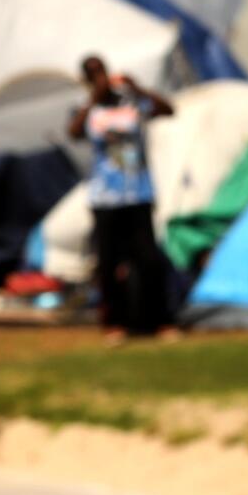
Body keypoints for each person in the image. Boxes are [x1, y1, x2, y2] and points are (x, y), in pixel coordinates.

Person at [67, 53, 176, 341]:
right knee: (109, 262)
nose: (100, 77)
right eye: (93, 74)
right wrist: (93, 99)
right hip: (105, 197)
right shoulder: (85, 108)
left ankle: (159, 321)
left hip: (138, 192)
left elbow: (167, 109)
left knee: (149, 260)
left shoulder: (130, 101)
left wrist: (137, 88)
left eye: (102, 71)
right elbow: (74, 132)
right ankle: (115, 323)